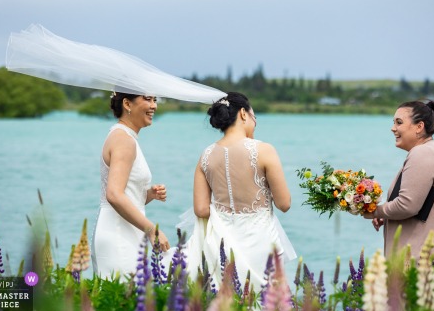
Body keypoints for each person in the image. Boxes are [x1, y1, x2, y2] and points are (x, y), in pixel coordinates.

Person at [164, 92, 296, 292]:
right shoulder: (264, 150)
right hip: (260, 242)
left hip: (221, 243)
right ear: (243, 113)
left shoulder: (206, 155)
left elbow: (200, 210)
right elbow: (284, 204)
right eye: (254, 116)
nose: (255, 122)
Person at [365, 99, 434, 262]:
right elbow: (421, 201)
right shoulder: (431, 150)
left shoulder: (422, 153)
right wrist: (387, 215)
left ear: (419, 127)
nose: (393, 128)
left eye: (399, 122)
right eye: (394, 123)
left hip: (431, 259)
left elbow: (407, 205)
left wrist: (373, 211)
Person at [92, 92, 171, 279]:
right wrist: (152, 230)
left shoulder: (123, 136)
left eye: (155, 100)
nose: (154, 106)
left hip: (122, 228)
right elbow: (113, 195)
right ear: (127, 104)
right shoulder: (124, 140)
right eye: (148, 99)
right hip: (119, 233)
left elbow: (124, 193)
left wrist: (148, 194)